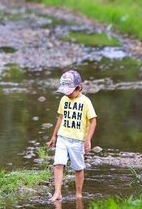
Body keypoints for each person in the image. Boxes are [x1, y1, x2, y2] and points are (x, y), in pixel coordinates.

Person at [47, 70, 97, 201]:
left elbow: (93, 121)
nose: (67, 94)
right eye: (65, 91)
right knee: (58, 164)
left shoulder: (86, 102)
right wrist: (54, 136)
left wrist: (88, 140)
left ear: (79, 87)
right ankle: (57, 192)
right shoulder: (64, 100)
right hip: (63, 137)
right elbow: (60, 118)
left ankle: (78, 194)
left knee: (78, 168)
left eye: (70, 91)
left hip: (77, 141)